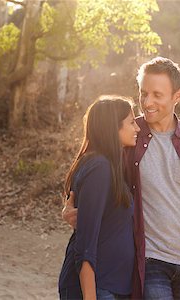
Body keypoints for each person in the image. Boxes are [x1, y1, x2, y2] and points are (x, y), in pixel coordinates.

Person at [63, 57, 180, 299]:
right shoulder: (127, 136)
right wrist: (74, 209)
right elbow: (92, 173)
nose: (147, 103)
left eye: (157, 95)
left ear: (177, 96)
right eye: (143, 93)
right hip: (149, 261)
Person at [58, 95, 140, 300]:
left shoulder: (109, 166)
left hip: (111, 286)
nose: (137, 128)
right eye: (131, 123)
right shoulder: (99, 168)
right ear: (113, 128)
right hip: (97, 287)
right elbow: (86, 244)